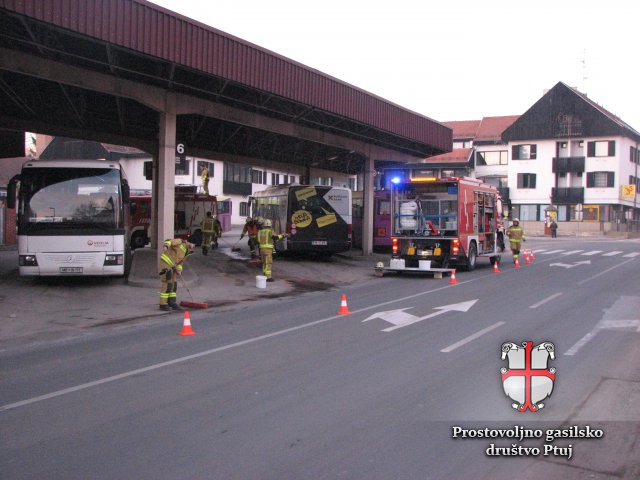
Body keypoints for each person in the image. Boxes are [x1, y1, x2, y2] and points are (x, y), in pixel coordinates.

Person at [158, 238, 194, 311]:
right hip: (166, 264)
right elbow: (170, 241)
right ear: (189, 242)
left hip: (173, 266)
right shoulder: (180, 242)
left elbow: (180, 262)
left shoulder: (187, 251)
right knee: (167, 283)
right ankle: (163, 304)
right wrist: (166, 246)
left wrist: (179, 270)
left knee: (173, 284)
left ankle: (172, 302)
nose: (193, 246)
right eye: (193, 244)